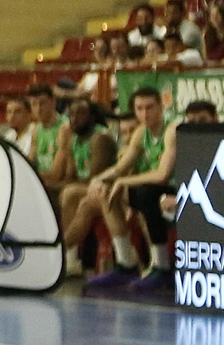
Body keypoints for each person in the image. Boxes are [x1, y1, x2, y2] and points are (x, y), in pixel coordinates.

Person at [80, 87, 196, 291]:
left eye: (150, 107)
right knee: (107, 190)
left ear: (161, 107)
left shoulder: (172, 130)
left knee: (145, 193)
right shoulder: (141, 133)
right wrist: (99, 179)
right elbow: (120, 167)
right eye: (139, 108)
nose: (145, 113)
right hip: (159, 192)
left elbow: (162, 175)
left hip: (186, 189)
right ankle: (126, 263)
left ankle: (162, 266)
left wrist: (124, 181)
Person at [51, 99, 116, 275]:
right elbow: (71, 176)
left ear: (92, 117)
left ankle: (65, 254)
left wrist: (67, 187)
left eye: (81, 114)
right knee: (55, 191)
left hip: (108, 189)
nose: (75, 118)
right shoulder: (74, 140)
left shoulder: (99, 138)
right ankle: (68, 256)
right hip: (85, 188)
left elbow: (96, 178)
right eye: (71, 114)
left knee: (70, 194)